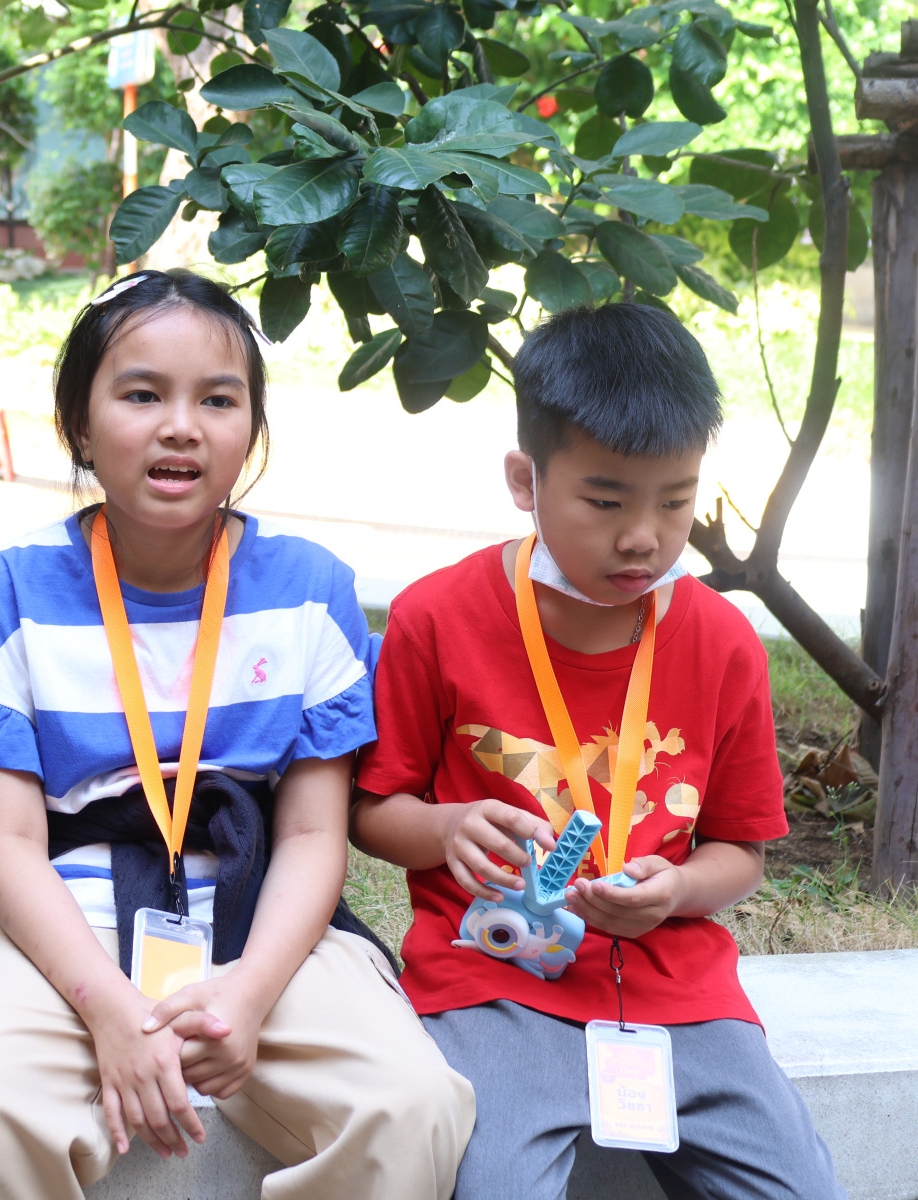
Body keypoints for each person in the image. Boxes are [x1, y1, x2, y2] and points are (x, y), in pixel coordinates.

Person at [0, 269, 473, 1200]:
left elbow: (314, 833)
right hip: (61, 930)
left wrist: (251, 992)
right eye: (142, 394)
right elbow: (10, 849)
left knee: (409, 1103)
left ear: (251, 431)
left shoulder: (309, 590)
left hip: (261, 922)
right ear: (78, 425)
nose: (181, 426)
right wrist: (110, 1010)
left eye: (217, 400)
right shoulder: (10, 591)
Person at [351, 302, 845, 1199]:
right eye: (606, 500)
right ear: (525, 478)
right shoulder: (437, 617)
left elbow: (741, 852)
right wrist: (447, 828)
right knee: (495, 1186)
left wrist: (679, 891)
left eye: (676, 501)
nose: (643, 536)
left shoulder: (723, 643)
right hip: (495, 980)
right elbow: (374, 810)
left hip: (681, 992)